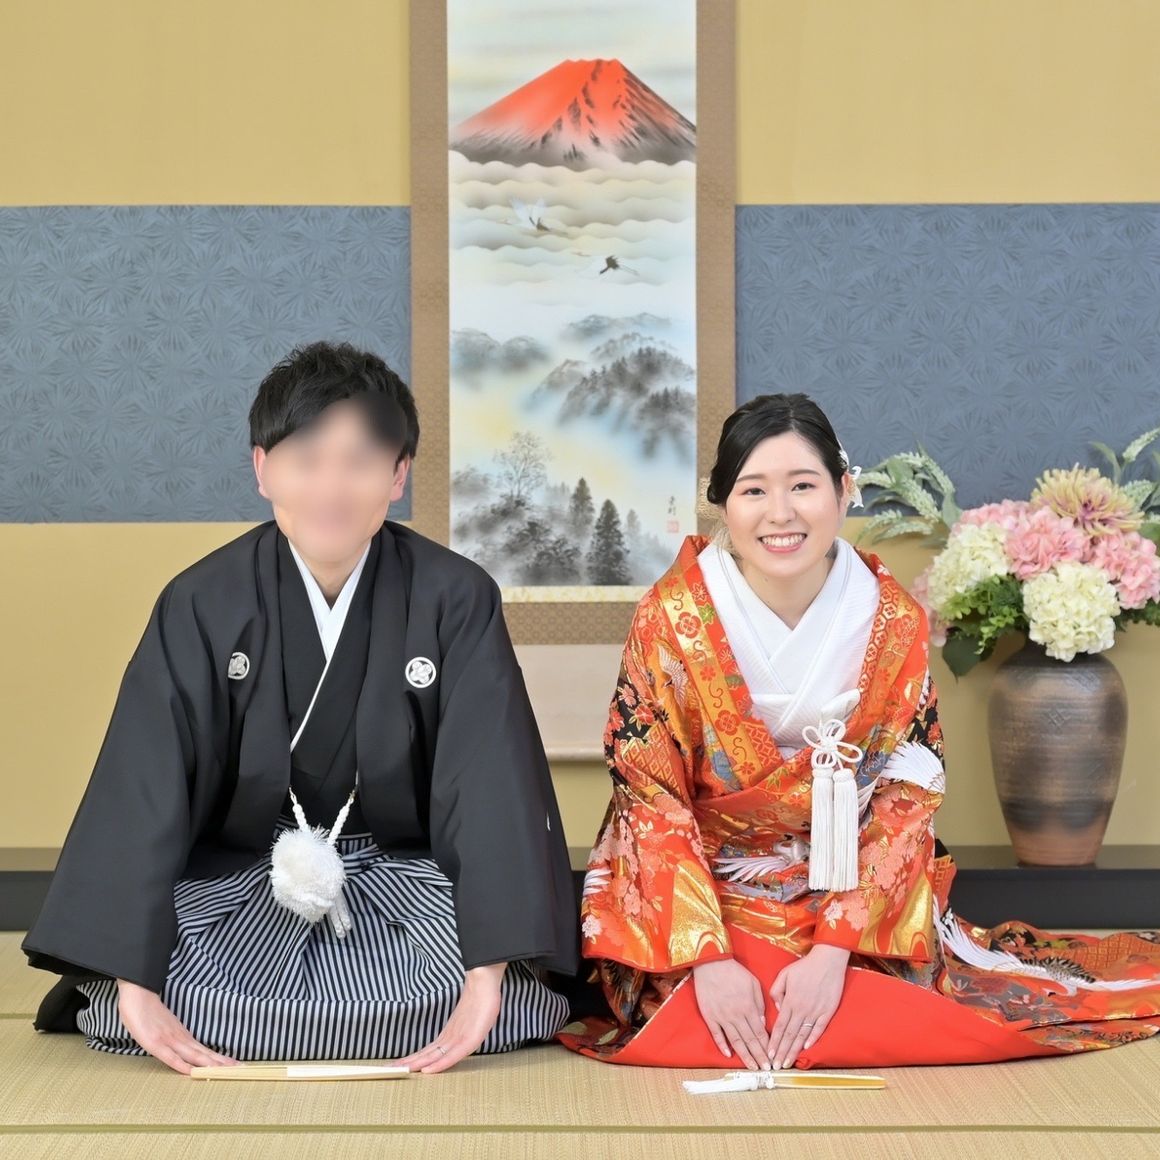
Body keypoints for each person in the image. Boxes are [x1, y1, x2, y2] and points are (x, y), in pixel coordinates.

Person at [559, 392, 1160, 1070]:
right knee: (710, 1019)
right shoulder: (670, 617)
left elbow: (909, 791)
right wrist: (705, 957)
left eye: (803, 486)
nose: (780, 513)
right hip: (711, 892)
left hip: (846, 884)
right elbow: (648, 791)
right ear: (720, 502)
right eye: (753, 490)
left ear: (844, 490)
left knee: (854, 1010)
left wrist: (833, 951)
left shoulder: (891, 620)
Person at [24, 340, 576, 1074]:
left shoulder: (456, 597)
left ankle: (462, 996)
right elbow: (143, 785)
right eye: (306, 459)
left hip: (401, 881)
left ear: (398, 474)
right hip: (247, 880)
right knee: (177, 990)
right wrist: (134, 981)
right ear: (262, 469)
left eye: (359, 460)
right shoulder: (202, 601)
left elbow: (490, 782)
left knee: (476, 987)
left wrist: (486, 976)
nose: (330, 488)